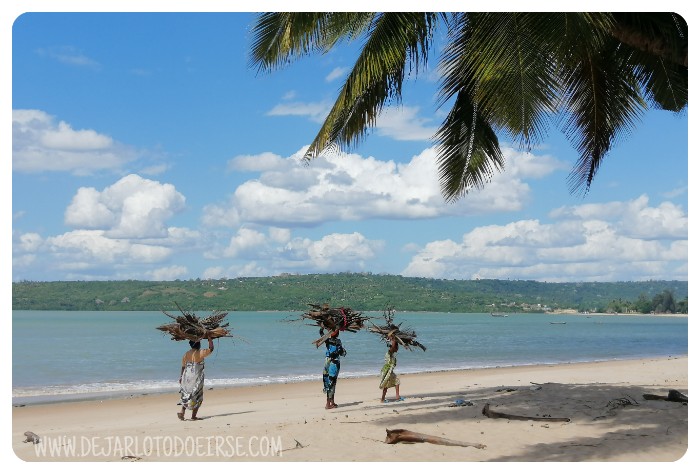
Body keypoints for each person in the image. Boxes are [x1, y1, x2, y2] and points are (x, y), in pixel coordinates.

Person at [178, 334, 214, 421]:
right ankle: (193, 416)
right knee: (197, 395)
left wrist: (181, 377)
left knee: (187, 394)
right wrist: (209, 338)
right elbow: (211, 349)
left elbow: (183, 366)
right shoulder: (200, 353)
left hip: (187, 377)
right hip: (196, 377)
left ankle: (182, 412)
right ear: (198, 345)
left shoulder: (186, 354)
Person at [321, 328, 346, 409]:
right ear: (337, 334)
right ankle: (328, 404)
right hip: (334, 363)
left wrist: (322, 328)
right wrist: (343, 351)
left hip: (327, 363)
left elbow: (321, 333)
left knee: (328, 381)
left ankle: (332, 402)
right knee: (332, 382)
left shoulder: (327, 340)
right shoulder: (337, 341)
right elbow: (340, 352)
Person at [380, 333, 403, 403]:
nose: (398, 349)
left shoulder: (392, 354)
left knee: (394, 382)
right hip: (387, 371)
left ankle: (395, 397)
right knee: (392, 383)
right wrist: (393, 339)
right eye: (397, 347)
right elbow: (392, 346)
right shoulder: (390, 352)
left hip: (388, 371)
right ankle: (384, 399)